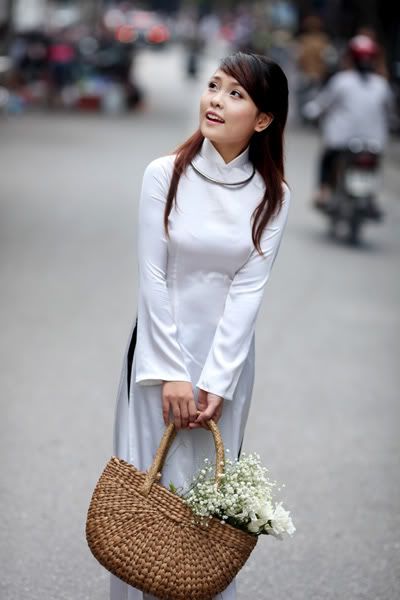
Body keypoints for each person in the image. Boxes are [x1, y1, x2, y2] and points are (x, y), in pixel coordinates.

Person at [110, 51, 290, 600]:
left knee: (204, 497)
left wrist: (215, 380)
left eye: (236, 94)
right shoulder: (164, 175)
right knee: (145, 489)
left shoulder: (271, 196)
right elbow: (152, 277)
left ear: (262, 119)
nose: (215, 99)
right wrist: (172, 372)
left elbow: (247, 292)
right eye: (214, 86)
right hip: (156, 358)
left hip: (226, 367)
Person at [305, 34, 394, 211]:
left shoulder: (341, 81)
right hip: (374, 143)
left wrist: (312, 112)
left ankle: (323, 191)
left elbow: (321, 104)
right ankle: (371, 197)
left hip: (341, 141)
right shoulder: (381, 85)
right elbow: (390, 112)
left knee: (327, 158)